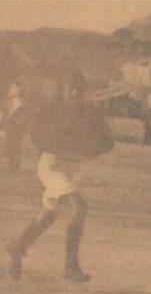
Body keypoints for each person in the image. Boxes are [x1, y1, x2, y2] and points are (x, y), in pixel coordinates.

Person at [6, 69, 113, 282]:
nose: (74, 92)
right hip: (52, 164)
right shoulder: (52, 110)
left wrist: (89, 143)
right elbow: (35, 134)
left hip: (73, 166)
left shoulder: (89, 112)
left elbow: (106, 142)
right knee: (79, 207)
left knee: (49, 216)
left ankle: (17, 246)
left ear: (83, 90)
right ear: (63, 90)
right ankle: (70, 266)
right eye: (70, 88)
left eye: (78, 88)